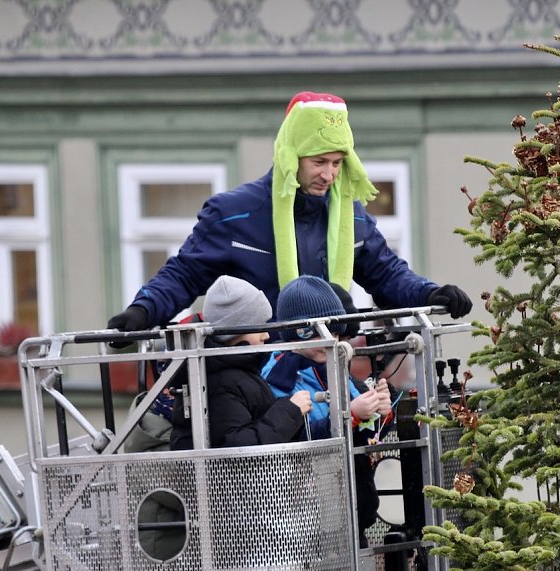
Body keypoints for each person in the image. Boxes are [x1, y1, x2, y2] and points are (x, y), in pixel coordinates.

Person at [107, 91, 472, 336]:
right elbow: (184, 275)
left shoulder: (352, 217)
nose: (329, 175)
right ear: (290, 156)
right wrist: (142, 312)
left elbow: (387, 273)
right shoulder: (233, 214)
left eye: (337, 163)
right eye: (318, 162)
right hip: (257, 384)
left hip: (329, 373)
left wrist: (430, 293)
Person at [261, 275, 393, 546]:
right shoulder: (280, 377)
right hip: (307, 517)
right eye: (320, 333)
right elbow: (299, 441)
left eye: (333, 332)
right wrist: (352, 415)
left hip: (350, 509)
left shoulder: (334, 367)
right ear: (298, 332)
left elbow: (365, 435)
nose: (330, 340)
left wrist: (380, 413)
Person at [168, 274, 312, 450]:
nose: (266, 335)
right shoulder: (221, 381)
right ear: (234, 332)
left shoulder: (237, 371)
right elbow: (237, 448)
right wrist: (290, 412)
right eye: (259, 326)